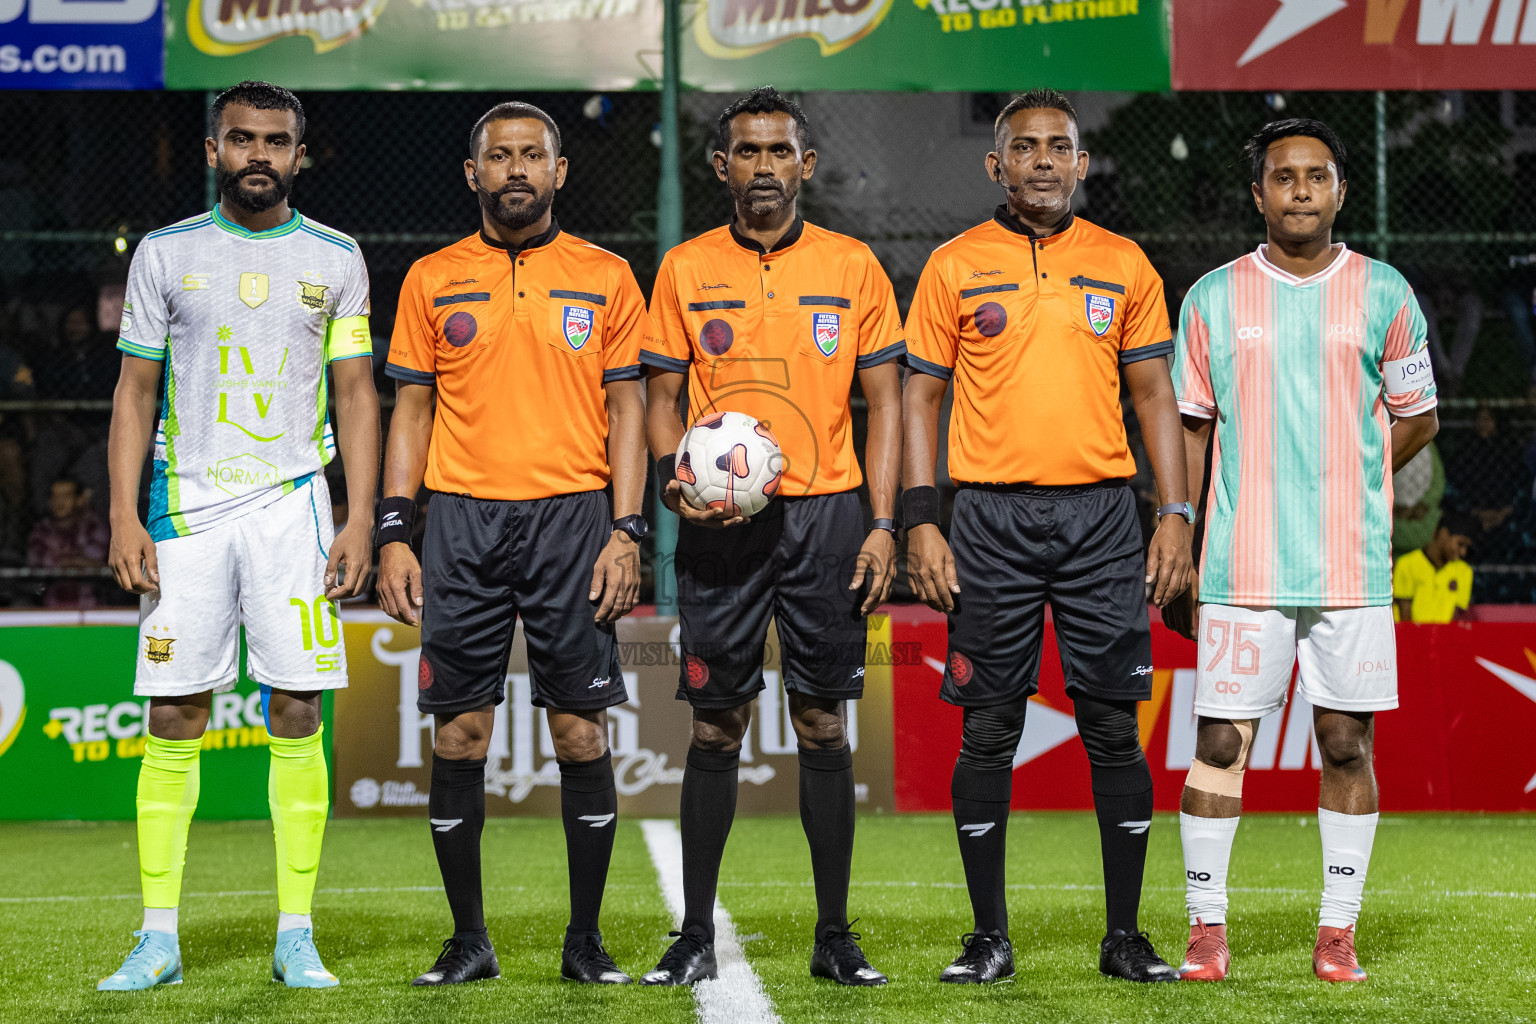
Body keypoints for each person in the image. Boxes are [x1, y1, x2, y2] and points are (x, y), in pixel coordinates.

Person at [902, 87, 1193, 986]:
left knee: (1113, 725)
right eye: (1023, 147)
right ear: (996, 165)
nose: (1041, 160)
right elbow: (918, 397)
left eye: (1057, 146)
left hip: (1104, 518)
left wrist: (1174, 514)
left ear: (1081, 162)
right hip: (987, 519)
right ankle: (988, 938)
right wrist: (920, 519)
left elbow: (1154, 398)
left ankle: (1125, 937)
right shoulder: (953, 264)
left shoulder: (1125, 264)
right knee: (988, 729)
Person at [99, 81, 379, 990]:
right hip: (183, 512)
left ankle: (296, 934)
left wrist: (359, 516)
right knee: (174, 714)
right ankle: (157, 938)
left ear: (302, 154)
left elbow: (356, 396)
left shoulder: (337, 258)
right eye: (242, 139)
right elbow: (135, 391)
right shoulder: (165, 254)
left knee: (298, 708)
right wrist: (122, 513)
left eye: (277, 141)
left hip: (293, 509)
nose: (259, 154)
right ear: (214, 148)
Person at [376, 100, 649, 987]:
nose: (518, 169)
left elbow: (627, 411)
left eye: (534, 154)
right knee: (458, 735)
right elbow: (409, 411)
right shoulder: (430, 278)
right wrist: (395, 530)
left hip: (574, 519)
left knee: (578, 733)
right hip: (459, 520)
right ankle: (469, 941)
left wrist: (627, 529)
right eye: (500, 157)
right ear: (473, 174)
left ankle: (585, 942)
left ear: (560, 171)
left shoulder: (606, 276)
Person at [639, 86, 904, 988]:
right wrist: (675, 484)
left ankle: (835, 934)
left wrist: (882, 522)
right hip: (720, 527)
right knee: (716, 726)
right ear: (722, 167)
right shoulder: (682, 268)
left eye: (778, 151)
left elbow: (888, 403)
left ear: (806, 165)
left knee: (823, 721)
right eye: (746, 152)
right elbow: (661, 400)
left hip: (827, 516)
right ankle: (694, 934)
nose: (762, 167)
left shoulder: (855, 266)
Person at [1166, 118, 1438, 984]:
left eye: (1316, 175)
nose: (1299, 190)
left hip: (1348, 569)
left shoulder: (1385, 291)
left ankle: (1337, 935)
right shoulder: (1212, 296)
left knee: (1347, 743)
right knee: (1218, 742)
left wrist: (1355, 475)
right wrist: (1179, 529)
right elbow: (1191, 431)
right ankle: (1206, 933)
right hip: (1240, 566)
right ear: (1259, 194)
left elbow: (1418, 417)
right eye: (1282, 177)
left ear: (1340, 191)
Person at [27, 475, 108, 607]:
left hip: (93, 607)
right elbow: (39, 566)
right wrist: (77, 561)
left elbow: (99, 564)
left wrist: (67, 561)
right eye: (55, 496)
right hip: (50, 607)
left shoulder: (93, 527)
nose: (60, 501)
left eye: (66, 495)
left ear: (80, 499)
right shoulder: (41, 531)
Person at [1393, 512, 1474, 623]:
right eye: (1460, 544)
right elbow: (1405, 618)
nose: (1463, 552)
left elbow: (1457, 617)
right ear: (1443, 534)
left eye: (1466, 547)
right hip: (1412, 636)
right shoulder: (1407, 564)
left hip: (1444, 638)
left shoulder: (1464, 571)